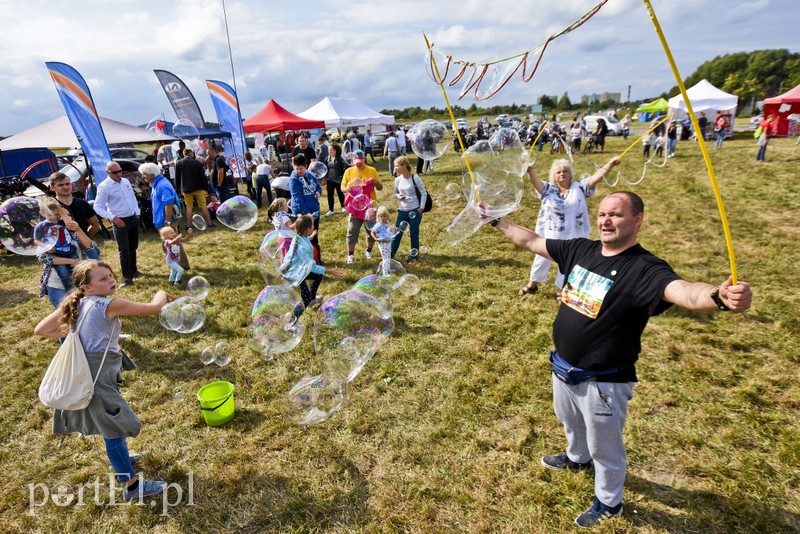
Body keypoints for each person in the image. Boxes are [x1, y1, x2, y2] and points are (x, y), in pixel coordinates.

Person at [486, 191, 752, 528]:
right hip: (563, 367)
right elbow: (532, 240)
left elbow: (684, 291)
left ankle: (609, 503)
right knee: (570, 422)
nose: (605, 221)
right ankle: (576, 458)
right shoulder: (581, 249)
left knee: (605, 449)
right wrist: (497, 220)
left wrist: (717, 296)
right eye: (601, 214)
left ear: (637, 220)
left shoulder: (645, 268)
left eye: (616, 215)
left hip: (603, 382)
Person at [35, 260, 173, 501]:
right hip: (96, 377)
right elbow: (154, 308)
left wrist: (74, 333)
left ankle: (122, 458)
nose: (110, 281)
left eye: (110, 276)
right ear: (86, 287)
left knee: (111, 421)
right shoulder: (109, 305)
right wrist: (162, 293)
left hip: (91, 372)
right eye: (102, 279)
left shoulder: (78, 302)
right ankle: (131, 487)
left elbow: (42, 329)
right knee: (113, 427)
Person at [518, 157, 620, 296]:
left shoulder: (579, 187)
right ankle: (532, 285)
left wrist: (609, 164)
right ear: (553, 176)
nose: (562, 174)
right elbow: (536, 183)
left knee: (569, 262)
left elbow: (596, 178)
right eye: (558, 172)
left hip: (573, 235)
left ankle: (562, 290)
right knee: (541, 258)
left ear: (570, 174)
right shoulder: (548, 189)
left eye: (565, 171)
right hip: (550, 234)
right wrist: (530, 170)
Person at [281, 215, 343, 330]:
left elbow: (305, 245)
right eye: (312, 225)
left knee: (318, 276)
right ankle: (290, 323)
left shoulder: (300, 237)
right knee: (305, 299)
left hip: (300, 270)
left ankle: (312, 299)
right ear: (306, 229)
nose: (314, 226)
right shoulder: (302, 247)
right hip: (294, 275)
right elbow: (312, 267)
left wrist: (311, 236)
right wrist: (330, 271)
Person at [36, 198, 95, 308]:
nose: (57, 218)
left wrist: (63, 213)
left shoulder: (72, 231)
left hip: (80, 280)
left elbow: (92, 249)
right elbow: (44, 258)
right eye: (53, 215)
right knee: (66, 311)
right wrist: (47, 247)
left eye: (62, 215)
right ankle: (71, 293)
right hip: (55, 283)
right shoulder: (43, 229)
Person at [93, 161, 141, 288]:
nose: (119, 174)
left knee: (133, 246)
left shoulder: (125, 181)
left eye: (120, 171)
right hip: (119, 221)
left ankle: (134, 270)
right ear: (107, 172)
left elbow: (132, 198)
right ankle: (127, 277)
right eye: (115, 172)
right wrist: (113, 218)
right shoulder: (104, 187)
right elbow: (98, 207)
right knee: (124, 250)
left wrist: (137, 212)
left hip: (132, 218)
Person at [341, 150, 383, 263]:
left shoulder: (372, 170)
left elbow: (380, 187)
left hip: (370, 206)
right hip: (355, 207)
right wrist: (347, 189)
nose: (358, 163)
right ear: (353, 160)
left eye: (360, 161)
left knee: (371, 230)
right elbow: (342, 188)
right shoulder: (349, 171)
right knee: (352, 230)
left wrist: (375, 183)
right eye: (356, 161)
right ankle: (350, 255)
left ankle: (368, 251)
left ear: (364, 159)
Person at [49, 172, 101, 249]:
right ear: (52, 188)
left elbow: (95, 225)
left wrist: (86, 237)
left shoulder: (82, 203)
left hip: (84, 247)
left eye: (67, 184)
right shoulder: (50, 207)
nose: (65, 187)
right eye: (60, 185)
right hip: (61, 251)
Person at [391, 155, 427, 263]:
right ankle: (390, 256)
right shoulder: (397, 180)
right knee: (397, 234)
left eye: (397, 166)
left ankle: (414, 257)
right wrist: (398, 196)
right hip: (402, 210)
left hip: (415, 210)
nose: (395, 168)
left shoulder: (414, 178)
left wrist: (421, 208)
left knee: (414, 233)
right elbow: (395, 193)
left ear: (404, 165)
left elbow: (423, 193)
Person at [287, 154, 323, 263]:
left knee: (314, 235)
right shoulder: (293, 180)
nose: (298, 171)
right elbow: (297, 198)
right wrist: (306, 213)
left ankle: (316, 260)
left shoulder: (310, 175)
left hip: (314, 210)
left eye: (301, 168)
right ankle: (304, 261)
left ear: (306, 166)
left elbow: (318, 186)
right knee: (303, 238)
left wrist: (318, 192)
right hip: (301, 213)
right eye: (296, 168)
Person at [175, 149, 214, 227]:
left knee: (189, 207)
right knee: (203, 206)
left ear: (184, 154)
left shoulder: (178, 163)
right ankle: (209, 223)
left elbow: (177, 178)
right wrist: (206, 188)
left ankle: (189, 225)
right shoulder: (197, 163)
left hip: (186, 189)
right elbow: (203, 177)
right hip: (198, 188)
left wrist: (178, 190)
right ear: (191, 153)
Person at [139, 162, 179, 230]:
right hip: (162, 221)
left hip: (167, 223)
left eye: (144, 174)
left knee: (172, 240)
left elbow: (169, 204)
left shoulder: (162, 185)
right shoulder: (156, 184)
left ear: (152, 175)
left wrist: (167, 222)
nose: (143, 176)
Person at [370, 206, 395, 275]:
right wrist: (376, 238)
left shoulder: (387, 222)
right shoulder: (378, 225)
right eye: (382, 216)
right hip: (382, 244)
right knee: (385, 258)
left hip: (388, 243)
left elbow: (389, 230)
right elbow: (372, 232)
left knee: (388, 257)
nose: (384, 218)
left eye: (385, 216)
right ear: (378, 217)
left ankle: (385, 269)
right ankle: (385, 273)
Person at [325, 143, 348, 215]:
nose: (329, 151)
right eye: (329, 150)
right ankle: (331, 210)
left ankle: (343, 206)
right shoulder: (327, 158)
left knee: (340, 193)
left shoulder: (340, 159)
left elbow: (344, 168)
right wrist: (324, 178)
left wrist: (343, 177)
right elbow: (325, 169)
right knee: (330, 194)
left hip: (338, 179)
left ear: (335, 150)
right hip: (329, 179)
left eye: (331, 150)